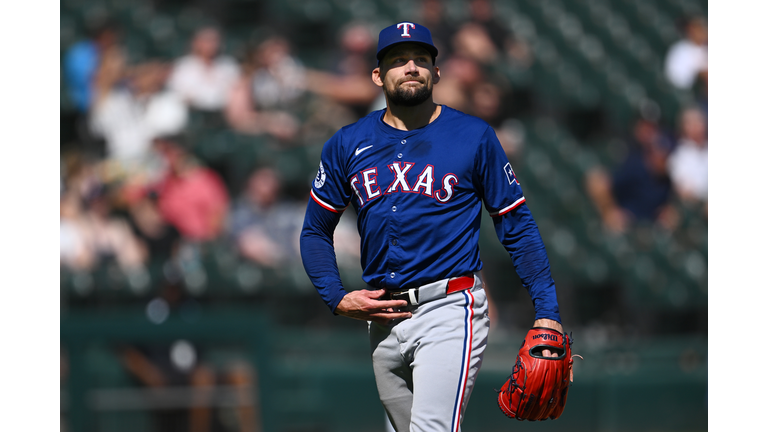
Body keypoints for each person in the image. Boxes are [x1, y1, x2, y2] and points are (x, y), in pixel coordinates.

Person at [299, 22, 563, 432]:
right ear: (377, 75)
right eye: (398, 60)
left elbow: (517, 226)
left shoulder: (473, 136)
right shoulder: (347, 143)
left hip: (449, 306)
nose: (411, 67)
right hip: (384, 315)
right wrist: (335, 296)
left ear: (436, 73)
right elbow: (316, 230)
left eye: (422, 59)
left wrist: (547, 311)